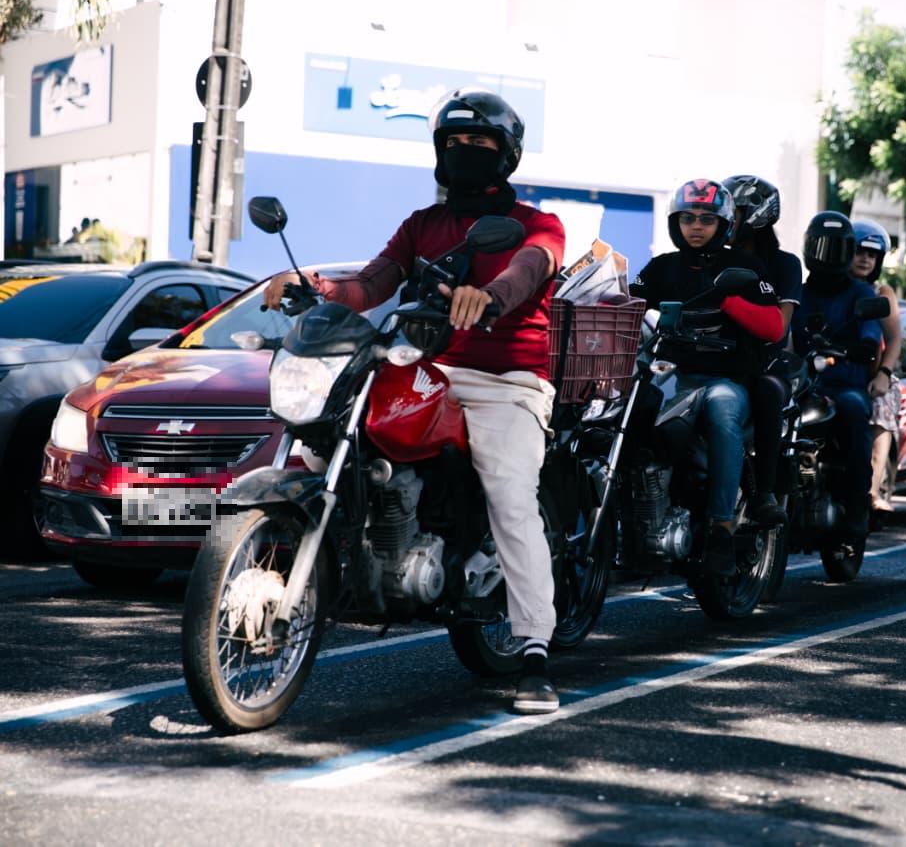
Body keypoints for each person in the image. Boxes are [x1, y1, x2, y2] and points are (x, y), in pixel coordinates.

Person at [264, 89, 566, 715]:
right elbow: (373, 282)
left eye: (479, 146)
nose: (464, 155)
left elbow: (530, 269)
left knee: (511, 500)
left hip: (506, 380)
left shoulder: (539, 224)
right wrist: (314, 285)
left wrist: (489, 296)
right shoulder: (421, 225)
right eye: (454, 145)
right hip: (428, 368)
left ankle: (534, 649)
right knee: (336, 449)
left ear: (506, 156)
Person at [629, 179, 784, 576]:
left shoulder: (746, 268)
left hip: (727, 379)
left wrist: (730, 301)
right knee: (628, 407)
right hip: (674, 377)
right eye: (687, 218)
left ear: (725, 224)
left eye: (706, 219)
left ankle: (720, 527)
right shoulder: (663, 267)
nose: (695, 227)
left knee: (720, 410)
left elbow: (772, 327)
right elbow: (631, 301)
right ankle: (633, 518)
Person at [795, 212, 884, 542]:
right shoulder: (798, 292)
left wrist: (864, 346)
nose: (827, 255)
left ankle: (856, 504)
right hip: (799, 385)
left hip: (844, 385)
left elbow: (872, 333)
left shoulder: (862, 294)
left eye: (836, 248)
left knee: (853, 411)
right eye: (821, 246)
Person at [724, 175, 802, 526]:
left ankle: (765, 493)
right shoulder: (714, 258)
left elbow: (780, 327)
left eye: (733, 212)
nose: (725, 219)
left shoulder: (784, 264)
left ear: (755, 216)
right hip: (717, 357)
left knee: (768, 392)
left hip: (766, 362)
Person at [847, 219, 902, 517]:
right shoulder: (828, 287)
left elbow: (894, 340)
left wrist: (884, 374)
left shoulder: (882, 292)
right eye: (858, 251)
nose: (865, 258)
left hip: (872, 374)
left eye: (872, 254)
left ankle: (872, 490)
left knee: (882, 408)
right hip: (832, 370)